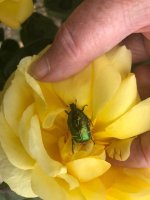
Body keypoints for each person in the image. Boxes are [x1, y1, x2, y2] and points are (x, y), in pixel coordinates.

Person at [29, 0, 150, 168]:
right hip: (85, 131)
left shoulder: (75, 116)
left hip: (84, 131)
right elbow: (80, 121)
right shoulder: (77, 115)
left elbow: (79, 122)